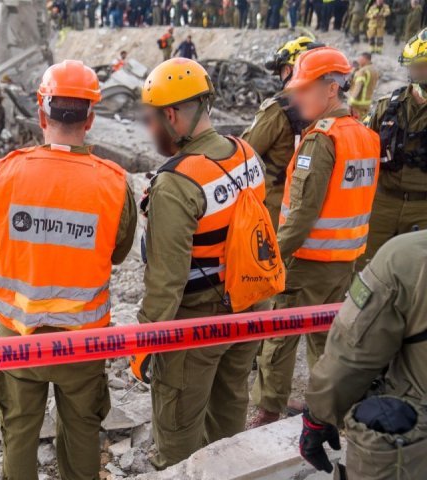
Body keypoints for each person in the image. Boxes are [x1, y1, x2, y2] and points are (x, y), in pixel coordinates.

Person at [0, 60, 137, 480]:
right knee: (81, 434)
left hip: (19, 337)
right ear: (91, 117)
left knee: (18, 434)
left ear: (42, 111)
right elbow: (118, 252)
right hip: (83, 341)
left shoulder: (7, 173)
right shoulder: (114, 182)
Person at [138, 58, 272, 470]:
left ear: (173, 115)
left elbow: (167, 282)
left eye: (152, 119)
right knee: (229, 406)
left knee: (177, 426)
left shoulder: (178, 182)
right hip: (249, 308)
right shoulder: (246, 152)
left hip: (197, 323)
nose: (150, 129)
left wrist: (144, 345)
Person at [250, 47, 381, 427]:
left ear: (330, 89)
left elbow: (301, 216)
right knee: (328, 338)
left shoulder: (321, 140)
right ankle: (328, 411)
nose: (295, 97)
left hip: (307, 261)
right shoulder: (365, 135)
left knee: (280, 337)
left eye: (304, 89)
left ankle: (268, 412)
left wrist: (270, 258)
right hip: (345, 261)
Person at [299, 230, 427, 478]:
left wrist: (317, 416)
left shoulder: (407, 257)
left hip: (413, 447)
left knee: (382, 420)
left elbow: (350, 359)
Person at [361, 28, 427, 265]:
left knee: (416, 276)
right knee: (366, 268)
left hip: (423, 207)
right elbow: (359, 146)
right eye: (415, 67)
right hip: (383, 203)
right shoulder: (388, 107)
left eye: (422, 67)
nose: (417, 73)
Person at [243, 37, 323, 231]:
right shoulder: (329, 105)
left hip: (276, 207)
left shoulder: (278, 109)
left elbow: (247, 150)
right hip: (315, 206)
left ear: (288, 70)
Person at [348, 52, 379, 119]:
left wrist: (351, 102)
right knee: (364, 122)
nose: (358, 60)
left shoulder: (362, 71)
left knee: (356, 124)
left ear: (365, 59)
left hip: (358, 104)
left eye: (360, 58)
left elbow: (358, 87)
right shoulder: (374, 70)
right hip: (367, 103)